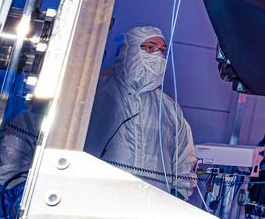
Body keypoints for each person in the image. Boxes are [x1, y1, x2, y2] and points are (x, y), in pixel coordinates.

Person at [84, 25, 197, 198]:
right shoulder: (95, 93)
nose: (158, 56)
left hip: (152, 207)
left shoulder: (170, 109)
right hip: (97, 199)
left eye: (162, 51)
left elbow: (184, 160)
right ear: (129, 51)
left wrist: (177, 195)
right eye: (150, 48)